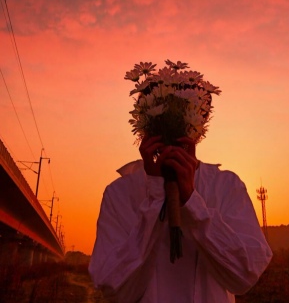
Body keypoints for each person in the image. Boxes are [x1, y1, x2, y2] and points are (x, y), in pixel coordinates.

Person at [89, 61, 273, 302]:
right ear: (145, 125)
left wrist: (192, 203)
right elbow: (113, 286)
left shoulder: (225, 186)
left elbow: (244, 276)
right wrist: (156, 198)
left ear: (198, 126)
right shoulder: (120, 193)